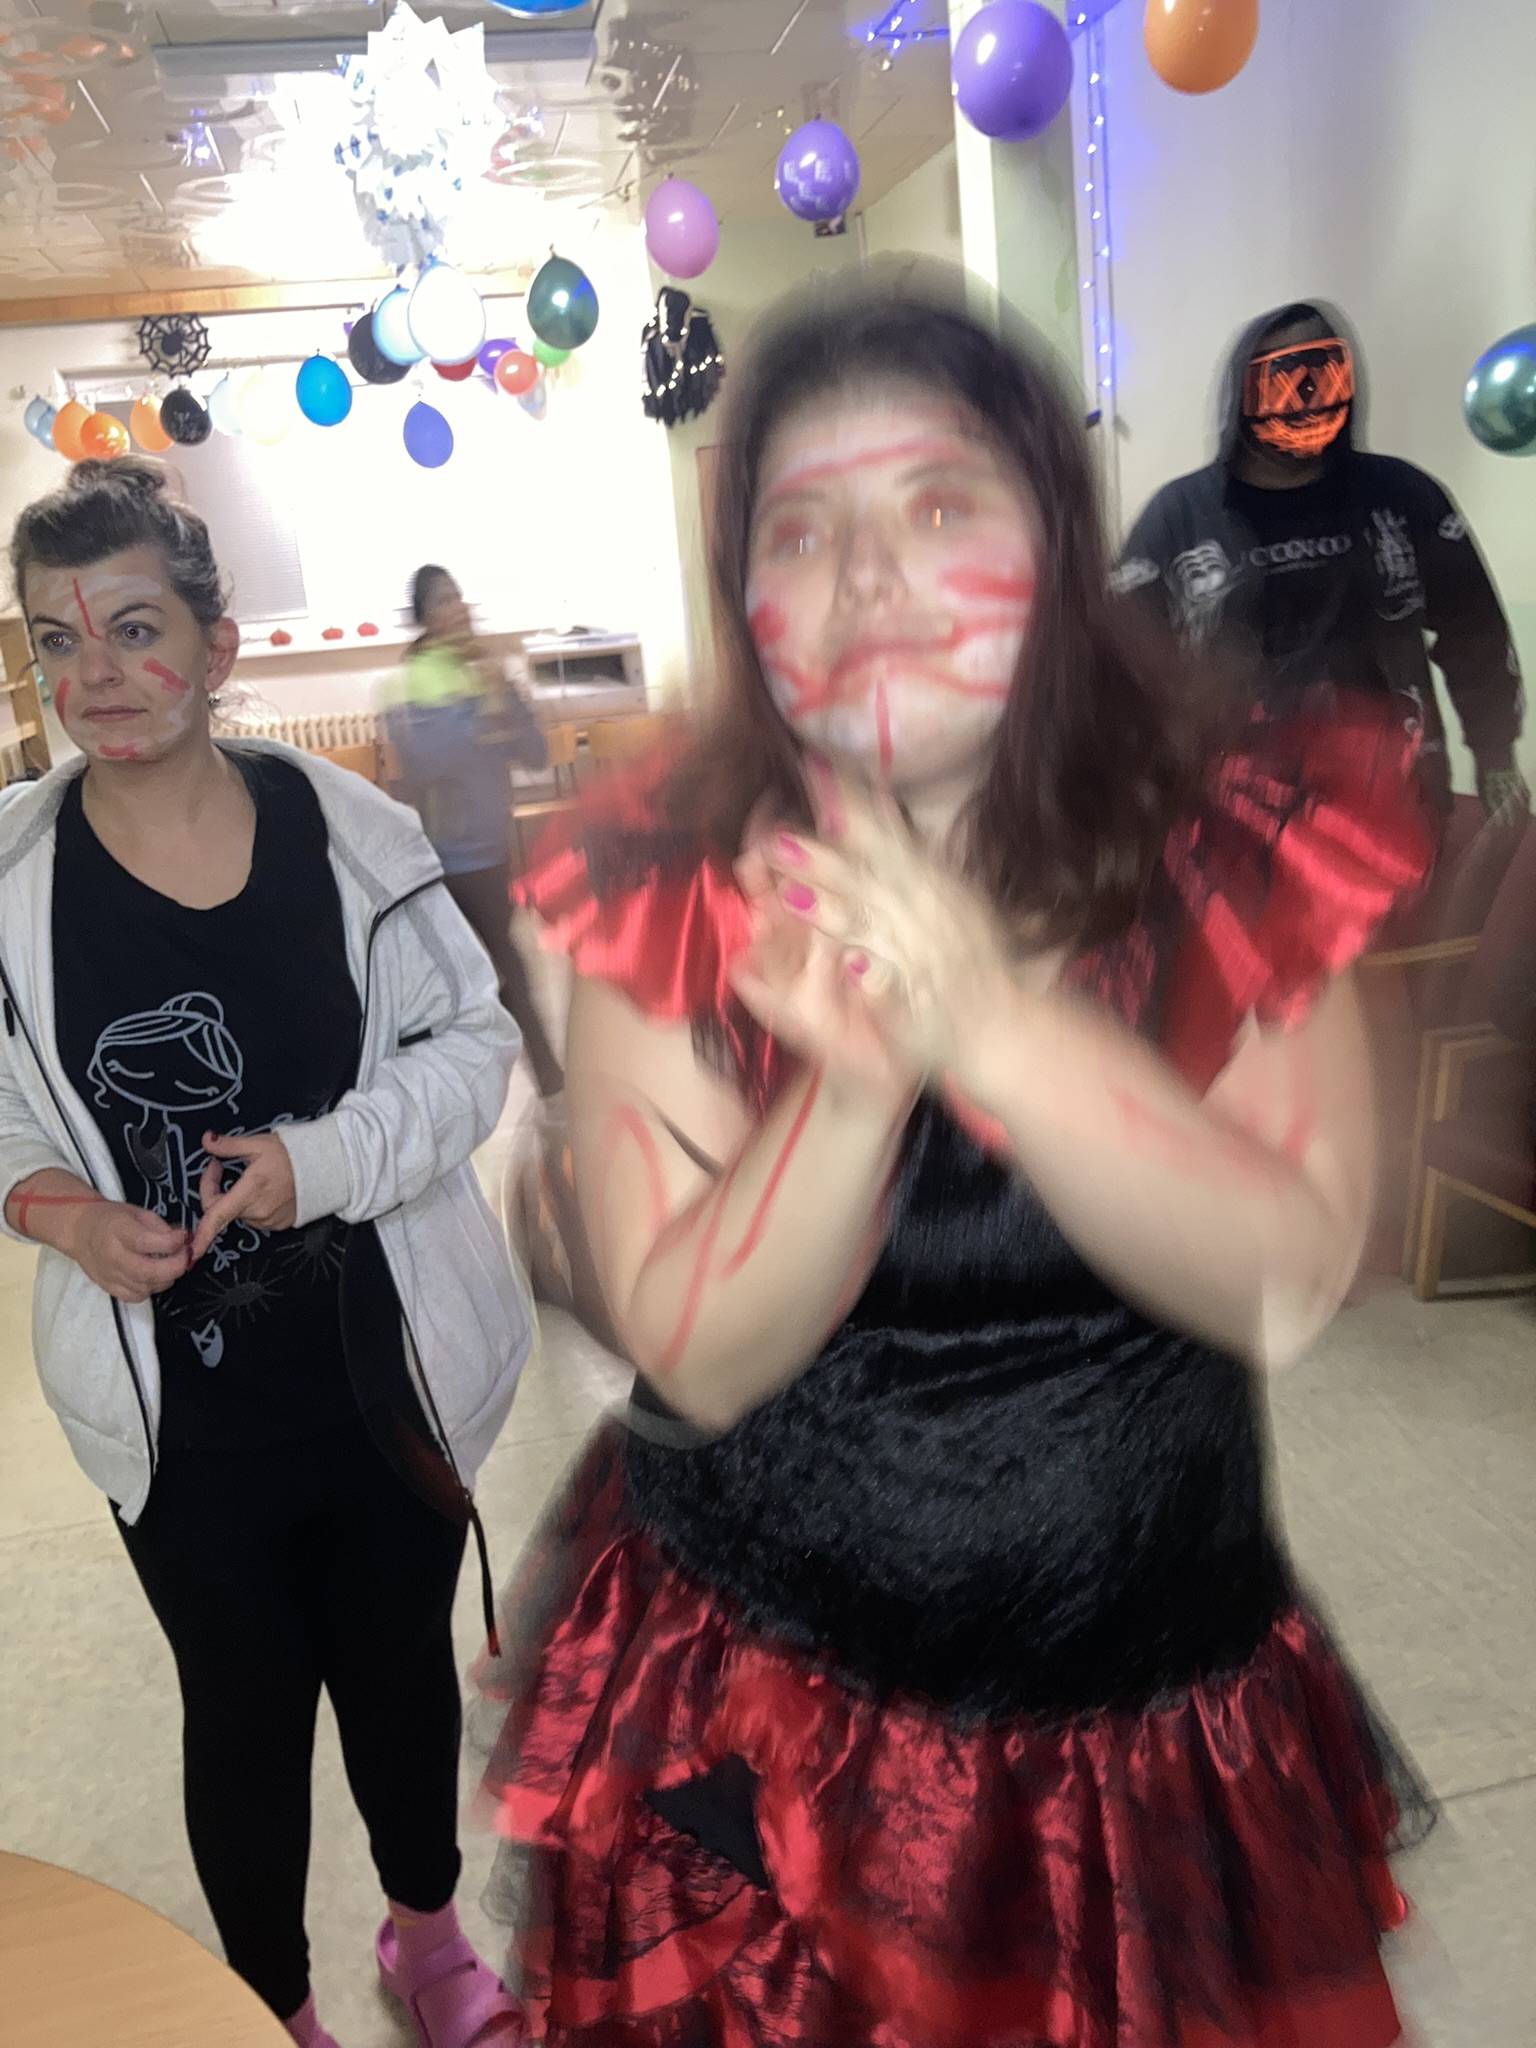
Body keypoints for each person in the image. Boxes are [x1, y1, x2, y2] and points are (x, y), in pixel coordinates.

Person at [474, 276, 1436, 2046]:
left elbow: (1286, 1280)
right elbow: (697, 1348)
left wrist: (985, 1017)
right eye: (803, 530)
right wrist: (848, 1093)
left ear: (1054, 546)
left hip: (1153, 1724)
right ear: (744, 596)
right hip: (763, 1728)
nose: (867, 578)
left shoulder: (1233, 844)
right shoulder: (668, 886)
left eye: (937, 508)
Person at [0, 462, 531, 2048]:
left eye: (135, 629)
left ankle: (427, 1940)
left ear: (217, 649)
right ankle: (270, 2005)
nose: (95, 675)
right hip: (178, 1422)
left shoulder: (352, 837)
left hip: (384, 1377)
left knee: (399, 1674)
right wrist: (61, 1213)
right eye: (55, 641)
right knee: (239, 1714)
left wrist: (328, 1161)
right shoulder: (13, 888)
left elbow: (475, 1044)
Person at [1117, 299, 1527, 823]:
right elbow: (1121, 662)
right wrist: (1131, 785)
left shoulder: (1404, 498)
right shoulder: (1180, 517)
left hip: (1393, 802)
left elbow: (1475, 632)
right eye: (1286, 384)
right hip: (1226, 815)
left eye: (1325, 379)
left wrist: (1496, 754)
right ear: (1243, 393)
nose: (1306, 401)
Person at [385, 565, 564, 1103]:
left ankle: (547, 1087)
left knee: (504, 975)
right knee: (473, 982)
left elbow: (536, 753)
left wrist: (501, 696)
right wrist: (483, 714)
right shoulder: (412, 684)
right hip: (442, 859)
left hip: (491, 854)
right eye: (443, 600)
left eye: (459, 596)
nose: (458, 607)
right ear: (424, 617)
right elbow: (427, 767)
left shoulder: (484, 675)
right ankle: (542, 1085)